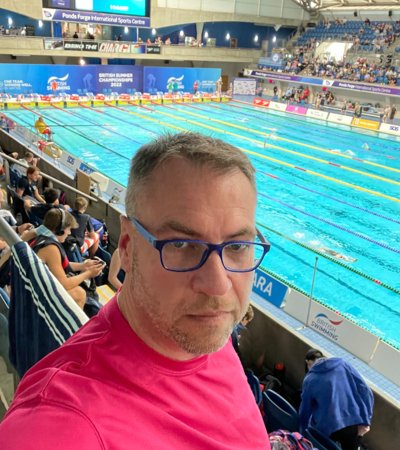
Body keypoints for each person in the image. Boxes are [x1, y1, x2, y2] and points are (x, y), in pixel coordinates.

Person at [0, 132, 271, 449]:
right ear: (127, 246)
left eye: (237, 245)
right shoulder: (62, 426)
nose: (217, 284)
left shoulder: (208, 331)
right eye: (181, 244)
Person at [28, 208, 104, 309]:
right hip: (34, 295)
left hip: (32, 284)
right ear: (60, 230)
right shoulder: (51, 248)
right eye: (68, 229)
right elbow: (64, 284)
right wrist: (89, 273)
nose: (69, 233)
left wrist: (83, 266)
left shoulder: (38, 234)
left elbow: (56, 264)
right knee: (79, 293)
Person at [299, 349, 374, 450]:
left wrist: (302, 435)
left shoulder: (309, 379)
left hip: (327, 429)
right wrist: (366, 419)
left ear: (308, 362)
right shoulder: (342, 364)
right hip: (351, 421)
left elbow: (305, 411)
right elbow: (365, 391)